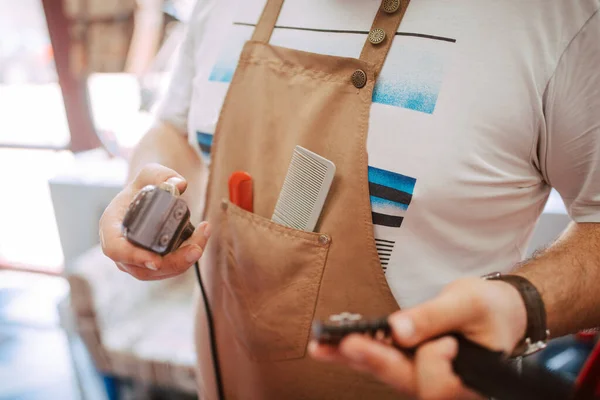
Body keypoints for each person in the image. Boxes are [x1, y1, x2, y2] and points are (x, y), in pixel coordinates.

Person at [99, 0, 600, 399]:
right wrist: (146, 193)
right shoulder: (216, 7)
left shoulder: (558, 21)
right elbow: (176, 132)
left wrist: (525, 303)